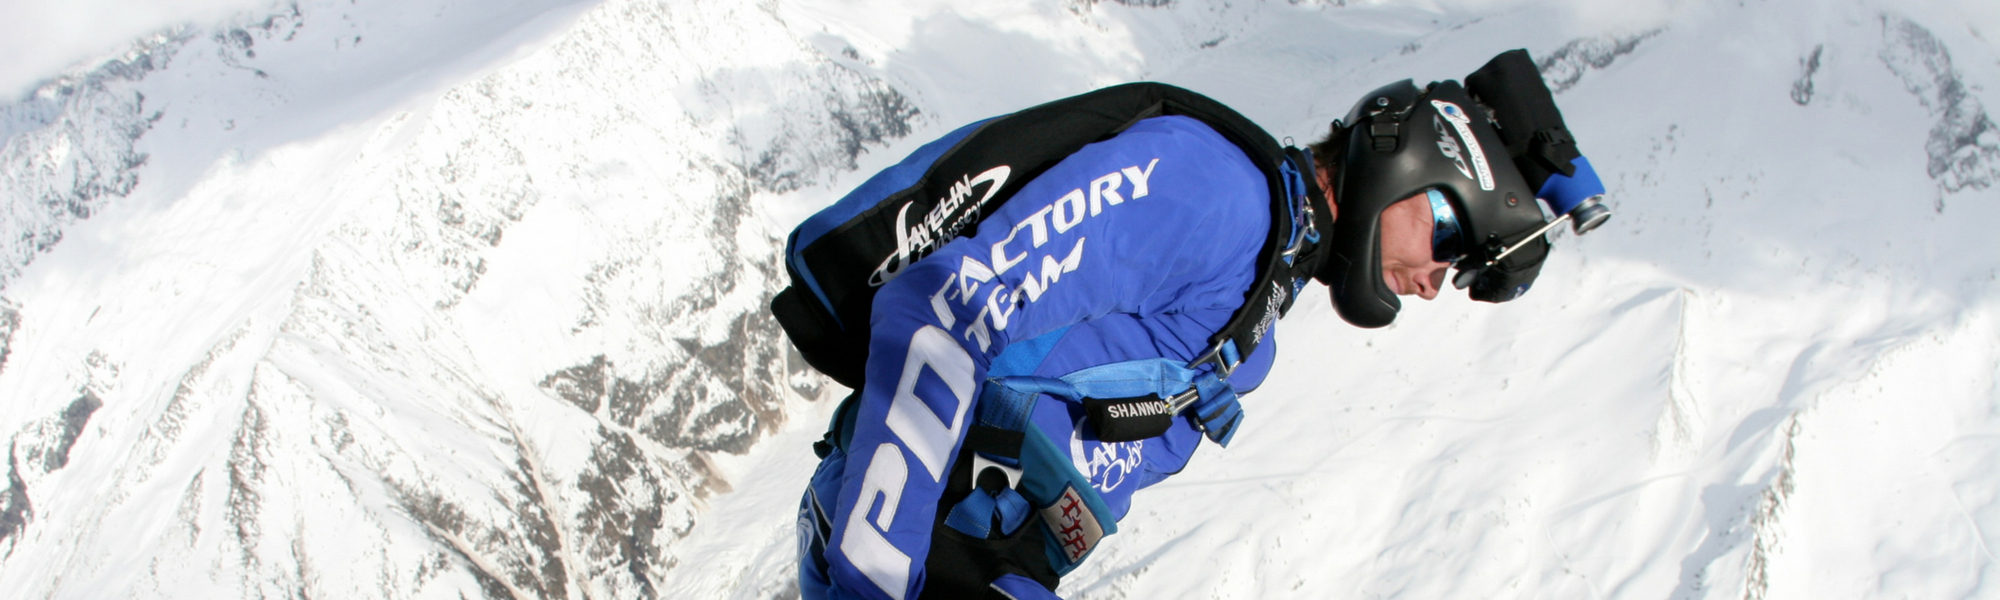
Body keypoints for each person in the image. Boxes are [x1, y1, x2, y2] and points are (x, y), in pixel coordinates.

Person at [785, 49, 1609, 600]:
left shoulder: (1259, 314)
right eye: (1450, 239)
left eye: (1460, 271)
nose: (1436, 282)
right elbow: (944, 306)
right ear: (1412, 161)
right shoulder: (1213, 190)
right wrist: (878, 572)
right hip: (892, 550)